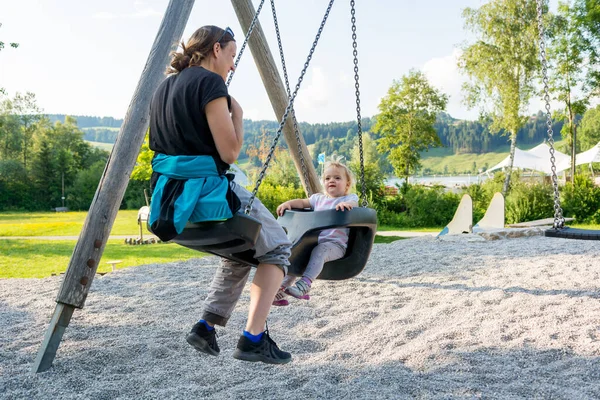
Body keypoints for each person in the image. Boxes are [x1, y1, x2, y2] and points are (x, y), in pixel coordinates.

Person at [148, 26, 292, 364]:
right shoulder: (211, 83)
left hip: (170, 203)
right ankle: (252, 340)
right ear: (216, 49)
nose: (232, 64)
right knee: (279, 249)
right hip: (208, 197)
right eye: (231, 54)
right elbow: (229, 153)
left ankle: (206, 326)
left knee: (243, 250)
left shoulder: (163, 87)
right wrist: (237, 117)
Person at [273, 160, 359, 306]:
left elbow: (354, 204)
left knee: (321, 250)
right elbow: (302, 202)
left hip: (335, 246)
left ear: (347, 184)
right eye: (328, 178)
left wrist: (347, 206)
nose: (332, 180)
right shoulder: (318, 199)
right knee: (297, 253)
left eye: (337, 178)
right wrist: (288, 204)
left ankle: (304, 285)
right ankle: (281, 289)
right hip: (315, 242)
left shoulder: (348, 199)